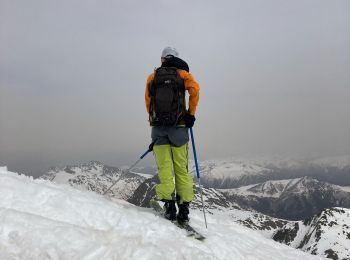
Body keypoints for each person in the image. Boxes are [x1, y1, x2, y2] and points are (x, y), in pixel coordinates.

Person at [145, 47, 200, 224]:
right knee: (181, 169)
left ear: (162, 59)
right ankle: (183, 210)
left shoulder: (152, 77)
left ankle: (169, 207)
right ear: (176, 58)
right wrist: (190, 114)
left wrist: (155, 120)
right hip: (179, 128)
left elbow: (148, 101)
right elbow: (195, 91)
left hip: (159, 129)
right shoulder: (183, 74)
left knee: (165, 169)